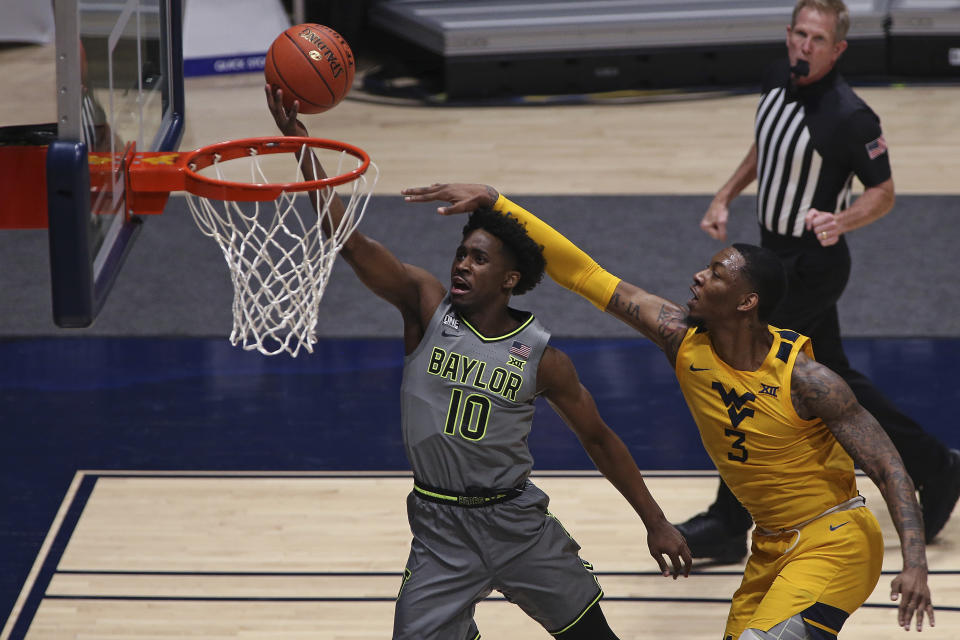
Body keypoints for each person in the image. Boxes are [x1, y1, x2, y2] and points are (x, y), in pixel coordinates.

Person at [401, 183, 935, 637]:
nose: (699, 278)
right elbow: (584, 274)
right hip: (770, 546)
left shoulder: (808, 380)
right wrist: (496, 203)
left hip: (836, 540)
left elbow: (889, 466)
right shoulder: (681, 339)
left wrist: (915, 565)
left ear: (747, 302)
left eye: (717, 275)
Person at [265, 86, 691, 640]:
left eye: (479, 259)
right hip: (440, 528)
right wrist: (302, 149)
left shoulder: (543, 356)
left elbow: (600, 440)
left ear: (509, 279)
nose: (463, 264)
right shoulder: (424, 306)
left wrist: (655, 521)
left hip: (517, 524)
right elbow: (350, 242)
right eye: (461, 254)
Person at [692, 0, 960, 562]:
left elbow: (883, 193)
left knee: (746, 362)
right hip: (771, 256)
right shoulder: (775, 79)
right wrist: (725, 193)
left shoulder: (850, 116)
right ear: (787, 34)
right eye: (799, 35)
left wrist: (842, 219)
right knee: (837, 377)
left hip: (812, 266)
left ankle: (725, 520)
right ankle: (937, 465)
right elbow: (767, 146)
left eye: (817, 40)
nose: (804, 47)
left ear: (838, 49)